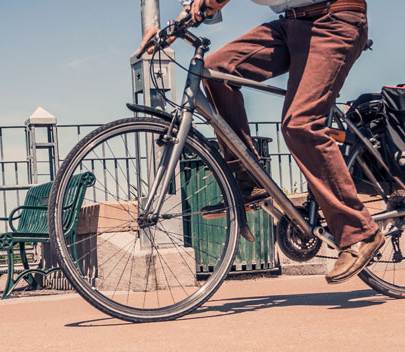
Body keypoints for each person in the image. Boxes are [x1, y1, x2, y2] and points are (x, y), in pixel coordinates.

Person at [140, 0, 384, 284]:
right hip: (292, 23)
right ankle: (248, 180)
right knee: (218, 71)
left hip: (334, 20)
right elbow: (198, 7)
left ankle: (360, 233)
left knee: (301, 123)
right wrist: (169, 30)